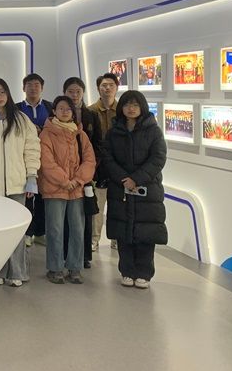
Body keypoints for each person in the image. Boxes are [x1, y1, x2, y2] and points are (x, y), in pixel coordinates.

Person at [0, 78, 40, 287]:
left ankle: (17, 272)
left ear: (8, 94)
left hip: (17, 185)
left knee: (17, 232)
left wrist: (31, 176)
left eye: (2, 92)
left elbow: (31, 149)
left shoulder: (21, 120)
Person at [103, 90, 167, 289]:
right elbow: (107, 157)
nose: (131, 108)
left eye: (135, 105)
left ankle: (144, 273)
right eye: (127, 104)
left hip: (147, 190)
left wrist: (137, 179)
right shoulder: (114, 132)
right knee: (123, 233)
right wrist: (124, 179)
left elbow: (158, 158)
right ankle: (127, 271)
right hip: (120, 188)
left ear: (142, 107)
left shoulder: (153, 131)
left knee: (146, 233)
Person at [39, 96, 96, 284]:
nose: (64, 112)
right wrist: (65, 181)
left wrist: (78, 180)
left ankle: (75, 267)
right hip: (54, 188)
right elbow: (46, 163)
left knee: (78, 229)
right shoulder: (46, 134)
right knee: (55, 229)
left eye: (68, 109)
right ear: (54, 111)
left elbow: (89, 160)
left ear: (73, 112)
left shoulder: (80, 135)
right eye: (61, 108)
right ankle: (55, 268)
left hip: (77, 189)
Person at [63, 77, 103, 268]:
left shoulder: (91, 115)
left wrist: (89, 170)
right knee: (65, 219)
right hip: (63, 176)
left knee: (84, 215)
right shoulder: (58, 114)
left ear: (83, 93)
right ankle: (65, 254)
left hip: (86, 175)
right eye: (70, 91)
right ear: (64, 93)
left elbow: (98, 145)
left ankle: (84, 255)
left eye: (78, 91)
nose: (74, 95)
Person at [16, 73, 53, 246]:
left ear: (42, 88)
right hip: (23, 158)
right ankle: (28, 232)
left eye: (37, 84)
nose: (33, 88)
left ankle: (40, 231)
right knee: (27, 195)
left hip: (46, 158)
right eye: (29, 85)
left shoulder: (50, 107)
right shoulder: (16, 109)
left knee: (43, 196)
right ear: (23, 88)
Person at [88, 72, 120, 251]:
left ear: (116, 88)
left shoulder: (123, 110)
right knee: (98, 205)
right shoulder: (91, 110)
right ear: (98, 89)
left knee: (117, 205)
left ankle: (116, 238)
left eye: (111, 85)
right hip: (98, 166)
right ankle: (94, 239)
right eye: (104, 85)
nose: (107, 88)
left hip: (119, 166)